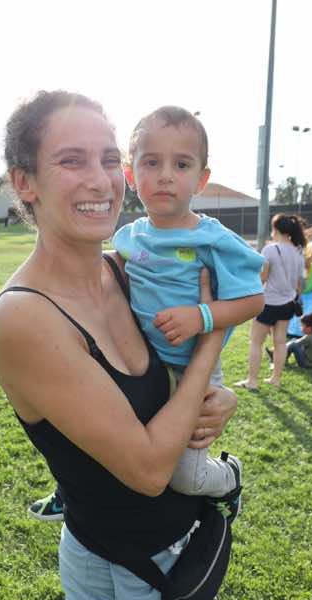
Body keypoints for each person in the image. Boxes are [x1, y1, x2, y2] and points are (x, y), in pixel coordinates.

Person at [0, 90, 238, 600]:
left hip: (184, 552)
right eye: (71, 160)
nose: (101, 181)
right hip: (118, 578)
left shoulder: (126, 272)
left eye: (107, 159)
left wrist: (222, 397)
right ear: (25, 182)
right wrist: (213, 335)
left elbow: (177, 383)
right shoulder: (24, 317)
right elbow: (148, 469)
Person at [111, 106, 264, 503]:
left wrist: (202, 316)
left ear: (201, 179)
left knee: (188, 479)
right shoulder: (128, 238)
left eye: (181, 164)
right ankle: (72, 489)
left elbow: (253, 299)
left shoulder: (214, 240)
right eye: (151, 162)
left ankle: (230, 477)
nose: (165, 175)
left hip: (196, 369)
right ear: (131, 176)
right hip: (144, 366)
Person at [235, 213, 306, 390]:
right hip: (288, 303)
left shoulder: (270, 250)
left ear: (277, 230)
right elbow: (299, 283)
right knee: (280, 342)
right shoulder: (298, 251)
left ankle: (252, 381)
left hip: (268, 303)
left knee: (255, 342)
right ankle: (276, 379)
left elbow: (262, 278)